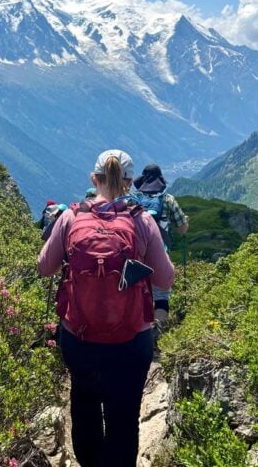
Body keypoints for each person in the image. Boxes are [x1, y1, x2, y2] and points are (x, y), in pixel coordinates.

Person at [38, 149, 175, 467]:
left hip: (79, 335)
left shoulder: (71, 217)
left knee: (84, 403)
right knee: (124, 414)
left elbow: (44, 267)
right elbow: (166, 276)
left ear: (93, 179)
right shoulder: (141, 220)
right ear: (130, 182)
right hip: (131, 337)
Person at [132, 164, 188, 329]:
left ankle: (137, 331)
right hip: (160, 253)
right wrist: (186, 220)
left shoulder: (132, 200)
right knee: (161, 295)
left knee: (136, 293)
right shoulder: (168, 200)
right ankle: (156, 331)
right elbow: (182, 229)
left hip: (135, 255)